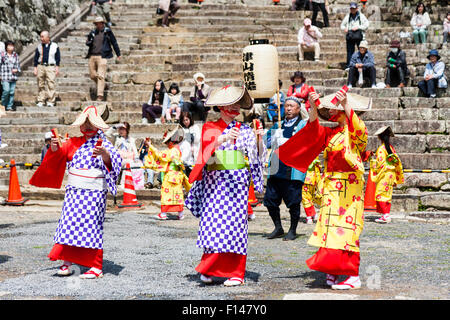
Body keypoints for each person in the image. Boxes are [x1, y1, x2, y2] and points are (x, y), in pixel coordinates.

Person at [277, 88, 371, 290]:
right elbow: (313, 130)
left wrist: (346, 104)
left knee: (346, 230)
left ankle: (352, 274)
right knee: (328, 228)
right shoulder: (331, 133)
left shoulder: (355, 130)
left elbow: (360, 132)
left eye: (333, 108)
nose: (330, 112)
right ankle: (333, 270)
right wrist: (311, 108)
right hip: (331, 186)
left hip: (349, 186)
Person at [29, 104, 122, 279]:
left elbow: (116, 163)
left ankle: (96, 267)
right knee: (68, 226)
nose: (87, 127)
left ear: (98, 125)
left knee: (92, 227)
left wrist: (104, 155)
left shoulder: (105, 144)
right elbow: (58, 158)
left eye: (91, 124)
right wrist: (55, 149)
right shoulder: (72, 142)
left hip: (94, 194)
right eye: (84, 123)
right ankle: (67, 262)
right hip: (74, 193)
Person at [185, 86, 266, 287]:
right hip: (215, 183)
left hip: (237, 184)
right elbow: (205, 151)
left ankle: (237, 273)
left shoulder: (246, 129)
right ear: (221, 107)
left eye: (238, 104)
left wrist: (259, 140)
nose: (236, 108)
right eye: (232, 104)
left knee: (235, 228)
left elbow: (257, 156)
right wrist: (221, 139)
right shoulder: (210, 127)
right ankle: (209, 269)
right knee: (213, 227)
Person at [263, 96, 308, 241]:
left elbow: (305, 143)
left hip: (292, 169)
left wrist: (288, 142)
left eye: (291, 106)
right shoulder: (278, 125)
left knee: (293, 202)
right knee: (270, 200)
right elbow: (267, 142)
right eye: (286, 106)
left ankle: (293, 229)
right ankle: (278, 227)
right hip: (276, 167)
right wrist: (264, 136)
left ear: (298, 108)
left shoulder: (303, 125)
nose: (288, 108)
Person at [144, 125, 191, 220]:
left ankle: (164, 213)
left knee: (167, 195)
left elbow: (160, 155)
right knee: (177, 195)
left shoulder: (173, 151)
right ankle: (180, 214)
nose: (166, 144)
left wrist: (150, 146)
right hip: (176, 175)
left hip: (171, 175)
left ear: (171, 141)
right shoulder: (175, 150)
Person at [369, 126, 404, 224]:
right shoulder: (390, 148)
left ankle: (385, 215)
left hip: (384, 174)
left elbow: (380, 164)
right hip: (391, 174)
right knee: (387, 194)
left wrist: (372, 162)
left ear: (380, 137)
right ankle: (386, 214)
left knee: (380, 194)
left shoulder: (381, 149)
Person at [85, 16, 121, 101]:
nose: (97, 25)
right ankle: (103, 85)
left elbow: (114, 42)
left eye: (99, 23)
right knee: (92, 75)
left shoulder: (107, 32)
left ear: (102, 23)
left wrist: (118, 54)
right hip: (92, 55)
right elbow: (88, 42)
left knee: (101, 75)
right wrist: (89, 41)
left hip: (102, 56)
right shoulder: (93, 32)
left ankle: (100, 95)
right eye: (96, 24)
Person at [114, 122, 145, 190]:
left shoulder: (131, 139)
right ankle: (122, 183)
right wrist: (115, 126)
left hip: (127, 159)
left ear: (127, 130)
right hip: (117, 159)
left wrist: (136, 159)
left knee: (130, 163)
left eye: (123, 129)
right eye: (120, 129)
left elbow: (134, 150)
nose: (121, 131)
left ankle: (123, 183)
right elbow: (107, 134)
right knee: (129, 162)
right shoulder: (116, 137)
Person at [33, 31, 60, 108]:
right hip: (40, 66)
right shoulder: (39, 46)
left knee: (51, 83)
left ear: (47, 37)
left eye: (42, 36)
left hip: (50, 66)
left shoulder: (55, 46)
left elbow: (58, 57)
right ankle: (41, 100)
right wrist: (35, 68)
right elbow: (36, 57)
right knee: (40, 83)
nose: (41, 38)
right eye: (40, 36)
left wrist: (57, 67)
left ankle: (51, 100)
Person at [340, 2, 370, 69]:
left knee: (362, 50)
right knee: (350, 51)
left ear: (357, 8)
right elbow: (342, 25)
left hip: (359, 35)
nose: (352, 10)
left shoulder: (361, 16)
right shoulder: (348, 16)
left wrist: (358, 27)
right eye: (351, 8)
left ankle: (364, 64)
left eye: (354, 8)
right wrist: (345, 29)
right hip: (350, 36)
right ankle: (349, 65)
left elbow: (367, 24)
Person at [179, 111, 201, 178]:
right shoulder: (181, 129)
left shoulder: (195, 127)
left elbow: (198, 139)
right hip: (185, 154)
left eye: (187, 120)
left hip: (195, 152)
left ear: (190, 119)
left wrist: (191, 136)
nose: (185, 122)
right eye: (184, 120)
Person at [0, 41, 20, 111]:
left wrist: (17, 70)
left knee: (12, 92)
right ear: (6, 47)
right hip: (5, 76)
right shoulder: (2, 55)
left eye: (12, 46)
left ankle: (9, 106)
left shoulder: (15, 55)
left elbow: (18, 66)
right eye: (9, 46)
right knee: (6, 90)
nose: (11, 47)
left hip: (13, 77)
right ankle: (2, 104)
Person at [302, 157, 322, 224]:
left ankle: (309, 217)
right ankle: (314, 214)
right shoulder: (315, 152)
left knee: (305, 198)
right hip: (313, 177)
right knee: (310, 197)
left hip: (305, 177)